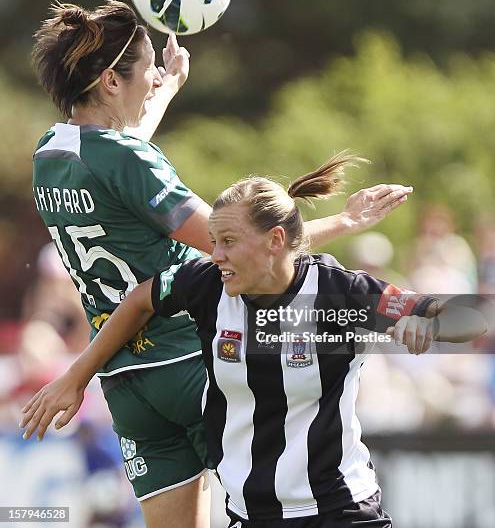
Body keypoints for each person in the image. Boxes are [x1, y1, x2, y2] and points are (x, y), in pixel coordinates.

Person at [20, 154, 486, 528]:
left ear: (275, 241)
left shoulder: (340, 292)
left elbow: (470, 318)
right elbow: (140, 300)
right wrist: (77, 376)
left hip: (339, 512)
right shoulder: (205, 285)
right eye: (213, 242)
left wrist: (427, 325)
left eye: (226, 242)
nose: (214, 254)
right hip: (250, 515)